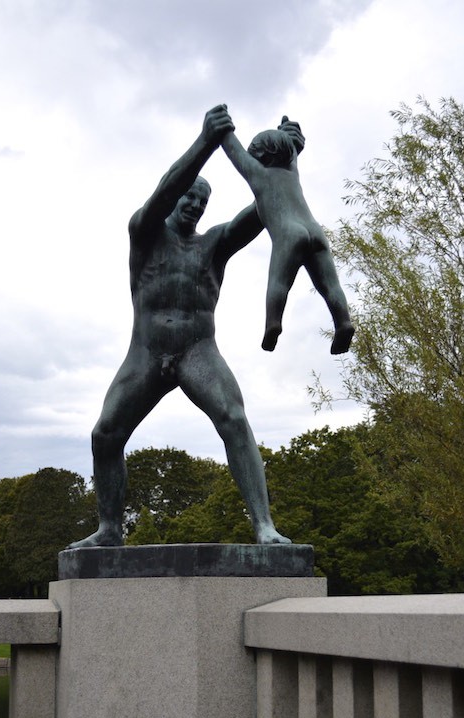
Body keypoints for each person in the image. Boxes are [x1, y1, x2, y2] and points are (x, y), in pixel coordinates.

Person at [68, 105, 303, 549]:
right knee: (105, 434)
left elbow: (264, 208)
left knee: (234, 418)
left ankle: (264, 526)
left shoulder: (213, 245)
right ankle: (109, 529)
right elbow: (161, 193)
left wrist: (287, 161)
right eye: (189, 196)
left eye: (202, 201)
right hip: (147, 352)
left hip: (198, 349)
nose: (195, 204)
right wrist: (205, 143)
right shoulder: (144, 233)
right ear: (175, 197)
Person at [221, 119, 354, 354]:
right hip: (316, 231)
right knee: (330, 285)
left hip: (289, 233)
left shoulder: (258, 175)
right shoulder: (292, 171)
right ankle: (343, 322)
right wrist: (287, 134)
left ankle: (273, 323)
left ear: (261, 154)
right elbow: (291, 149)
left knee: (279, 282)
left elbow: (235, 152)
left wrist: (224, 129)